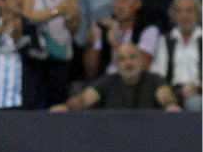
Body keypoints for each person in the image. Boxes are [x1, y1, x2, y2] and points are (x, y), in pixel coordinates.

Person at [18, 0, 79, 108]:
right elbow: (27, 15)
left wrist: (71, 17)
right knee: (34, 102)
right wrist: (57, 10)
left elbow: (74, 28)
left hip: (61, 53)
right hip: (35, 56)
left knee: (57, 102)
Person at [51, 42, 181, 111]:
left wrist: (170, 105)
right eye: (122, 59)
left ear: (141, 60)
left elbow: (165, 95)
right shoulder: (108, 81)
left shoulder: (154, 79)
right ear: (116, 64)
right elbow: (85, 99)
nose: (128, 63)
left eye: (132, 57)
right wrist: (66, 107)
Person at [84, 0, 161, 79]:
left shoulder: (148, 29)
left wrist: (114, 43)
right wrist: (92, 44)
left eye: (124, 0)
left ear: (137, 4)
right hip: (106, 82)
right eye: (116, 0)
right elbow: (91, 71)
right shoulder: (105, 27)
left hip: (133, 83)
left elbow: (142, 65)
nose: (119, 5)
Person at [150, 0, 201, 112]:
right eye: (179, 11)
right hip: (172, 94)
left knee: (195, 103)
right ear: (174, 15)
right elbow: (158, 75)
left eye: (189, 11)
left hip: (199, 93)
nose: (184, 16)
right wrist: (168, 99)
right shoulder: (164, 41)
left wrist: (198, 88)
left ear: (198, 13)